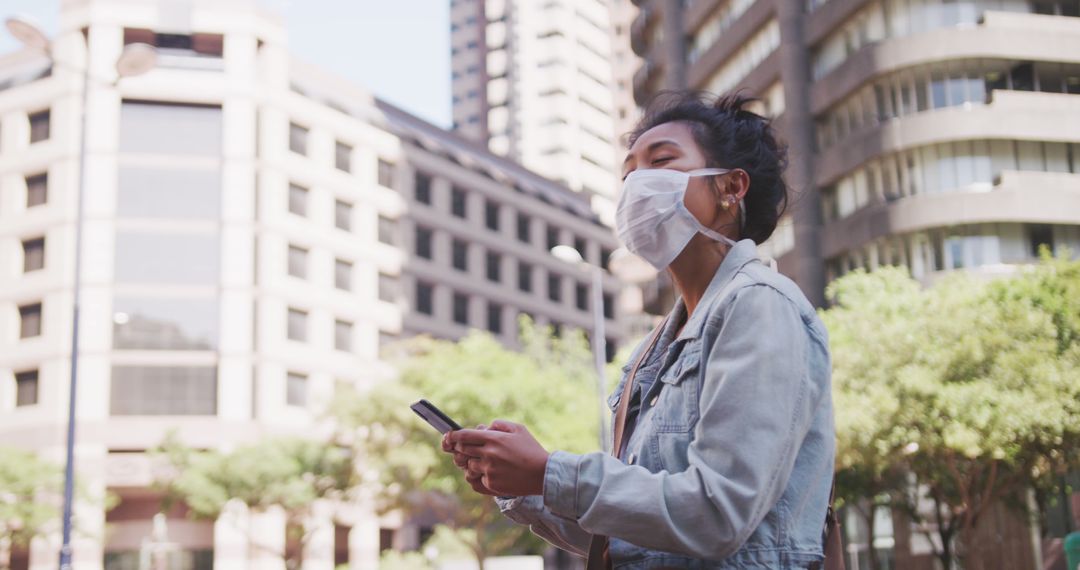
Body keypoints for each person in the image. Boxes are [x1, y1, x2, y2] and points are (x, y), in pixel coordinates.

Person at [442, 91, 835, 569]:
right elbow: (629, 531)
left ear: (731, 188)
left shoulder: (759, 304)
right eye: (629, 174)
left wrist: (550, 471)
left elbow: (718, 512)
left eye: (661, 163)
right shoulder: (651, 352)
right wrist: (524, 484)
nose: (636, 186)